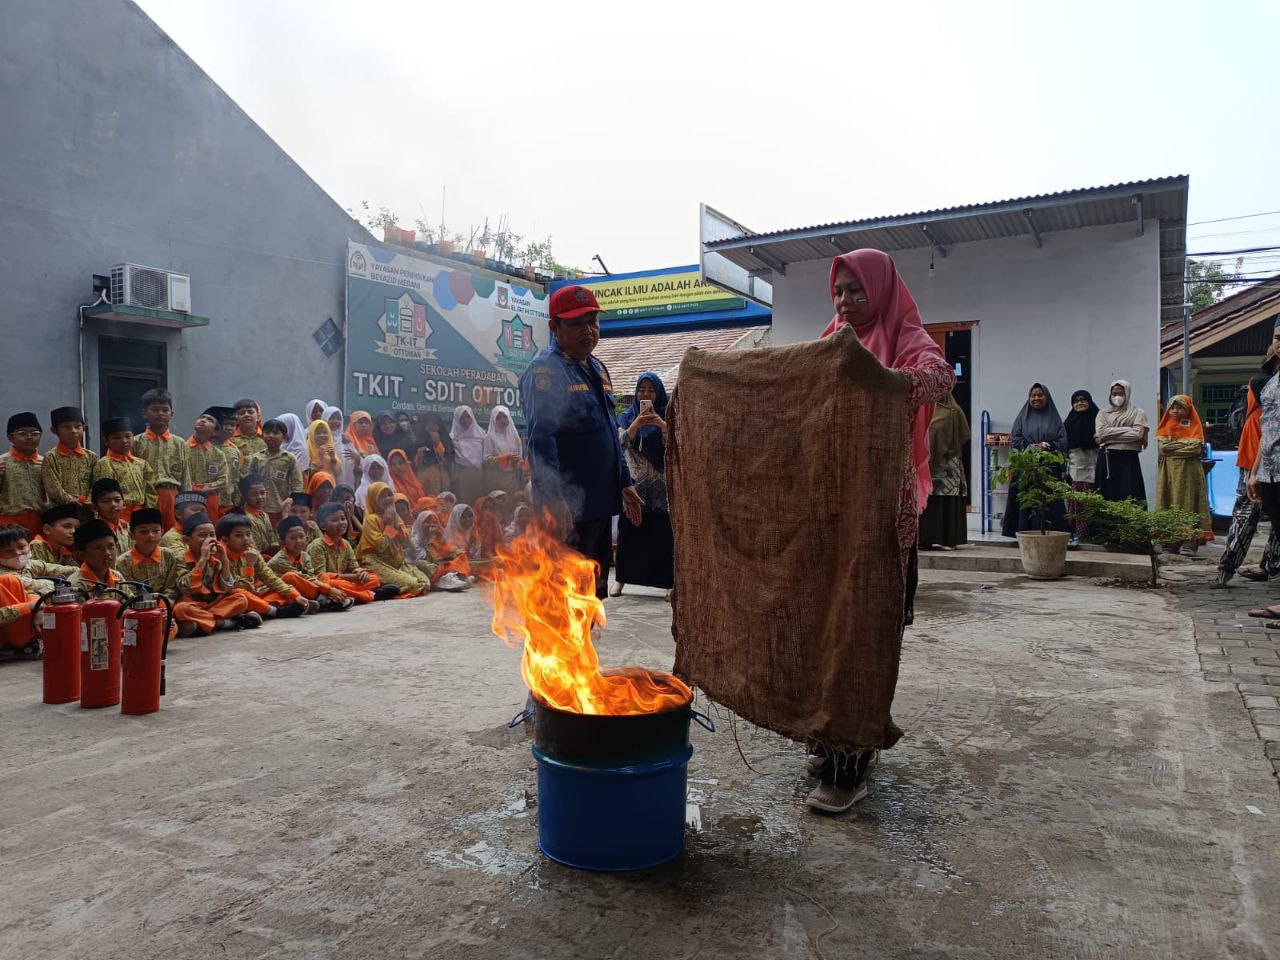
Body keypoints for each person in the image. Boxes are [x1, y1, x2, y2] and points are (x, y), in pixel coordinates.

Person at [812, 249, 956, 814]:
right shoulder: (832, 336)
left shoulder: (906, 335)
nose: (845, 303)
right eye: (839, 292)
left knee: (863, 633)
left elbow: (939, 378)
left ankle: (853, 764)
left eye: (856, 292)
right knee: (826, 629)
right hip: (830, 511)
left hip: (879, 517)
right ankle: (828, 740)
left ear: (880, 290)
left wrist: (886, 381)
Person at [519, 286, 644, 599]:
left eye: (593, 322)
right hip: (567, 511)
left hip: (600, 503)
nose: (588, 330)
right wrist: (554, 499)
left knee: (591, 594)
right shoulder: (546, 371)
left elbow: (609, 431)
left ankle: (585, 648)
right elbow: (541, 440)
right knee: (563, 596)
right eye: (577, 324)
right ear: (554, 327)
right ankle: (564, 650)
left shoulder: (597, 368)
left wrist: (624, 482)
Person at [1218, 358, 1280, 585]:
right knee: (1247, 513)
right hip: (1258, 457)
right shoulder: (1265, 383)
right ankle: (1227, 566)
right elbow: (1268, 432)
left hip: (1262, 458)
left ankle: (1270, 567)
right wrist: (1254, 472)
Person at [612, 372, 674, 598]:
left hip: (661, 488)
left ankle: (668, 583)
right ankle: (621, 580)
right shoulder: (627, 417)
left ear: (658, 394)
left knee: (663, 533)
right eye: (642, 390)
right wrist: (637, 424)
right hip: (635, 484)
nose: (645, 394)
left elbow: (676, 448)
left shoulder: (668, 415)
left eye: (650, 390)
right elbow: (619, 444)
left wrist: (663, 426)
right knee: (630, 532)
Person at [171, 511, 256, 634]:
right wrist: (202, 560)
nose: (209, 540)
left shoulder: (216, 557)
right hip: (192, 603)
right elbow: (186, 588)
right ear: (186, 540)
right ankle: (225, 623)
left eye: (212, 535)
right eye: (202, 536)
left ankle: (204, 623)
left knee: (241, 599)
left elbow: (227, 588)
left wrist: (224, 561)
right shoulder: (179, 558)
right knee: (181, 609)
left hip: (214, 604)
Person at [1001, 384, 1069, 537]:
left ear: (1047, 397)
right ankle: (1023, 532)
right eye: (1033, 395)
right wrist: (1030, 447)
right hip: (1026, 468)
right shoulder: (1021, 418)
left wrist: (1047, 445)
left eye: (1040, 395)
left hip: (1049, 469)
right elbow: (1016, 440)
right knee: (1026, 500)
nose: (1036, 398)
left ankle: (1050, 533)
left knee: (1049, 501)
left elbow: (1062, 442)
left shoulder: (1056, 420)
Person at [215, 513, 307, 618]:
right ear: (225, 540)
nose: (246, 539)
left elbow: (269, 577)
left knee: (283, 591)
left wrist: (295, 595)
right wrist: (249, 566)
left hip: (253, 596)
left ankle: (262, 610)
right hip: (231, 599)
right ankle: (275, 612)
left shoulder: (251, 551)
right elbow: (241, 589)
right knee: (240, 595)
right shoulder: (221, 557)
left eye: (248, 534)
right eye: (238, 535)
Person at [1156, 394, 1213, 556]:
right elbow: (1163, 449)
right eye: (1172, 407)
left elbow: (1195, 449)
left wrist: (1173, 446)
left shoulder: (1195, 426)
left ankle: (1189, 543)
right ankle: (1169, 541)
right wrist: (1183, 445)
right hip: (1169, 472)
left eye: (1179, 407)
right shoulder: (1165, 425)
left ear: (1187, 408)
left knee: (1189, 502)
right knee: (1169, 500)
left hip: (1190, 471)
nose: (1175, 411)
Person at [306, 502, 398, 603]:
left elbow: (354, 567)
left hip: (344, 582)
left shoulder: (346, 544)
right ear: (323, 526)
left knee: (373, 579)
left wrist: (360, 573)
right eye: (334, 520)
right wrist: (350, 577)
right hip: (325, 585)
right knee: (334, 584)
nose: (341, 522)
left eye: (343, 518)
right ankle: (371, 595)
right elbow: (319, 576)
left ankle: (354, 596)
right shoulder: (317, 545)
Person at [355, 481, 430, 597]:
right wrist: (389, 526)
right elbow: (380, 546)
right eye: (382, 496)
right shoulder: (371, 519)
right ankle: (380, 591)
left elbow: (406, 542)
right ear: (374, 499)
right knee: (415, 585)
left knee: (425, 583)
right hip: (376, 562)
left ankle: (387, 588)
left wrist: (395, 523)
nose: (387, 499)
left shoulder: (394, 515)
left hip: (396, 561)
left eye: (389, 495)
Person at [267, 516, 353, 611]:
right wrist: (329, 590)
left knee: (323, 576)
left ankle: (326, 599)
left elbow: (310, 576)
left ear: (307, 538)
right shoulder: (280, 559)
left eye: (301, 537)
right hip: (277, 591)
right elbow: (303, 578)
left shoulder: (305, 555)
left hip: (302, 589)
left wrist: (327, 589)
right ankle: (325, 601)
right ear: (282, 543)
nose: (299, 541)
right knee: (290, 576)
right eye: (292, 538)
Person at [919, 393, 970, 550]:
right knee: (932, 503)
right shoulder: (928, 410)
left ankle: (943, 539)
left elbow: (957, 436)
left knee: (943, 503)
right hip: (938, 467)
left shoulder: (951, 411)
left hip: (944, 466)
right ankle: (931, 539)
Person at [132, 388, 188, 531]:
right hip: (146, 496)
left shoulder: (180, 443)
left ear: (172, 414)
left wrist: (186, 501)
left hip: (172, 496)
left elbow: (185, 476)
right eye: (155, 410)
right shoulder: (136, 442)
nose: (160, 414)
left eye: (165, 410)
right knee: (148, 533)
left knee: (173, 534)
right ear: (144, 413)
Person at [1095, 380, 1149, 505]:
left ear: (1128, 394)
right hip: (1107, 458)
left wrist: (1109, 434)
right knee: (1108, 496)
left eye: (1121, 393)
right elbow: (1101, 433)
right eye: (1114, 394)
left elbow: (1138, 434)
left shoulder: (1137, 412)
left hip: (1129, 459)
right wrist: (1128, 429)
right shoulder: (1103, 413)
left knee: (1130, 494)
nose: (1117, 397)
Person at [92, 417, 156, 520]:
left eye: (128, 436)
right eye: (116, 438)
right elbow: (104, 496)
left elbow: (151, 492)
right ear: (106, 441)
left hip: (140, 514)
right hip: (118, 514)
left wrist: (147, 512)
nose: (124, 441)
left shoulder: (142, 464)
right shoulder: (104, 464)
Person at [248, 419, 303, 526]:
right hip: (259, 507)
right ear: (262, 435)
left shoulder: (289, 458)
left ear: (284, 436)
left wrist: (291, 505)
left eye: (276, 433)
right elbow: (250, 482)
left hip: (281, 509)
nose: (271, 436)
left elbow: (297, 485)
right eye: (267, 432)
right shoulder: (256, 458)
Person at [116, 507, 181, 597]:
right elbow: (129, 591)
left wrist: (163, 606)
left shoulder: (170, 556)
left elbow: (171, 588)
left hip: (166, 606)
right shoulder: (122, 562)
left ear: (162, 532)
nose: (150, 535)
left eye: (155, 531)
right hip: (135, 607)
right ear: (132, 535)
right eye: (143, 531)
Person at [1063, 390, 1100, 545]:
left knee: (1090, 501)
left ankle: (1090, 534)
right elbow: (1063, 446)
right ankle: (1075, 533)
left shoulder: (1098, 419)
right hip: (1075, 467)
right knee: (1074, 503)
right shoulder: (1068, 422)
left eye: (1083, 400)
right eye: (1076, 401)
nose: (1080, 403)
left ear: (1090, 401)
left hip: (1094, 466)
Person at [0, 412, 46, 536]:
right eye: (22, 433)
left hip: (39, 521)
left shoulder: (46, 463)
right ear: (10, 437)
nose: (29, 437)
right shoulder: (2, 462)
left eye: (35, 433)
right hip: (9, 523)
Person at [42, 406, 96, 505]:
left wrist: (90, 500)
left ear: (83, 429)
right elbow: (53, 488)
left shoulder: (91, 457)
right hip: (62, 511)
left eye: (78, 426)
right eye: (66, 427)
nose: (73, 431)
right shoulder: (51, 457)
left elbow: (96, 482)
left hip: (89, 509)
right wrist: (73, 502)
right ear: (54, 430)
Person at [68, 518, 132, 596]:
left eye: (111, 546)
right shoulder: (76, 585)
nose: (107, 553)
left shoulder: (117, 577)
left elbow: (130, 603)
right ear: (81, 555)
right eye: (98, 548)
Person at [185, 408, 229, 519]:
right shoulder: (181, 447)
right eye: (201, 417)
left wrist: (205, 489)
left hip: (210, 499)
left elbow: (223, 480)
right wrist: (194, 489)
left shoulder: (218, 454)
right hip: (187, 497)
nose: (203, 420)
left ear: (215, 431)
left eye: (209, 420)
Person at [450, 406, 487, 504]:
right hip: (461, 475)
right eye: (462, 417)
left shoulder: (482, 435)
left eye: (468, 417)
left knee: (479, 502)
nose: (465, 420)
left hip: (479, 474)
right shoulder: (452, 437)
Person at [482, 405, 523, 495]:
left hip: (512, 479)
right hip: (496, 480)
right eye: (498, 418)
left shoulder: (514, 436)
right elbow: (486, 460)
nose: (502, 420)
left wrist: (516, 462)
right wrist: (506, 458)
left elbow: (520, 460)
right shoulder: (490, 437)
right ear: (494, 420)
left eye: (505, 416)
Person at [237, 474, 277, 555]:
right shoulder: (245, 519)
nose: (260, 497)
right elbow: (253, 549)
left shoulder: (264, 515)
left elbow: (273, 541)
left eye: (262, 493)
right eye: (254, 495)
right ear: (244, 497)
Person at [414, 413, 453, 496]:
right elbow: (414, 462)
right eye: (429, 425)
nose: (432, 427)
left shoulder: (446, 439)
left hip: (442, 479)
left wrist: (438, 443)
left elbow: (449, 459)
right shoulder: (419, 440)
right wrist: (419, 456)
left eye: (434, 425)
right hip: (425, 479)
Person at [90, 478, 131, 554]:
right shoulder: (94, 532)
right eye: (106, 501)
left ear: (124, 504)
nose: (113, 504)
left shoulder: (128, 528)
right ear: (94, 507)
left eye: (117, 500)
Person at [305, 420, 343, 486]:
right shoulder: (307, 449)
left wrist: (333, 458)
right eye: (317, 433)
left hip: (330, 485)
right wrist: (320, 457)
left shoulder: (330, 447)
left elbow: (338, 473)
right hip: (314, 486)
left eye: (325, 432)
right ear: (311, 434)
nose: (322, 435)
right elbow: (307, 474)